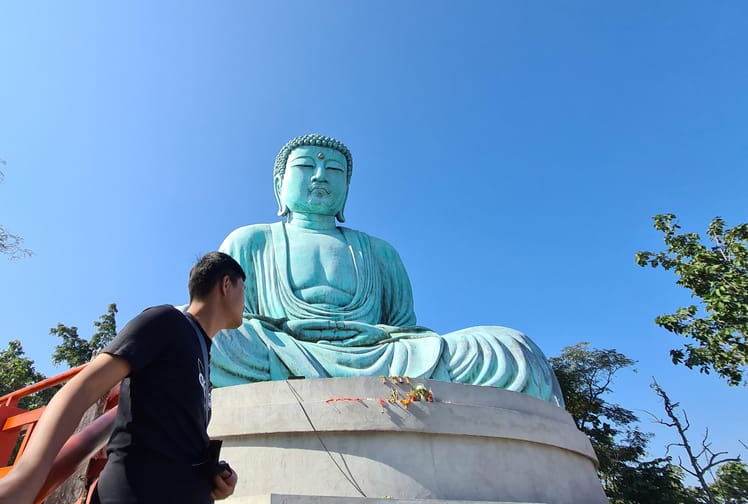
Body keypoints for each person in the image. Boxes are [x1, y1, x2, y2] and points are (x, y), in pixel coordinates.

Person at [210, 134, 564, 406]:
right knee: (199, 333)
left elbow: (405, 330)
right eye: (306, 167)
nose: (320, 176)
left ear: (346, 189)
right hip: (282, 350)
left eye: (334, 171)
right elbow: (227, 317)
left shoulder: (379, 252)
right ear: (279, 185)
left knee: (512, 348)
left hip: (381, 355)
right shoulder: (250, 241)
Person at [0, 252, 246, 504]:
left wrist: (212, 481)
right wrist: (25, 478)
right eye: (244, 290)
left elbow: (175, 435)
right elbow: (84, 387)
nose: (246, 302)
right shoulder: (166, 321)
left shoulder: (203, 355)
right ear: (226, 285)